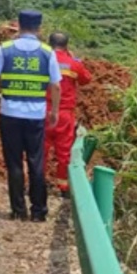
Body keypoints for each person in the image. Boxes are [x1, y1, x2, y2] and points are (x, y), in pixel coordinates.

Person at [0, 9, 61, 221]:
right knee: (36, 161)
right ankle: (39, 212)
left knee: (14, 162)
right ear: (39, 28)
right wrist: (54, 110)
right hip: (36, 115)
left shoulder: (6, 48)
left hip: (9, 113)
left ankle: (18, 210)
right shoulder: (48, 52)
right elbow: (55, 85)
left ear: (19, 25)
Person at [46, 32, 92, 197]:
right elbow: (86, 79)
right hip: (64, 114)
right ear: (67, 45)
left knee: (40, 150)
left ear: (49, 44)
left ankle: (37, 183)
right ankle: (63, 188)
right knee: (64, 152)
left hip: (43, 111)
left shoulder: (43, 59)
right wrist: (77, 61)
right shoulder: (73, 64)